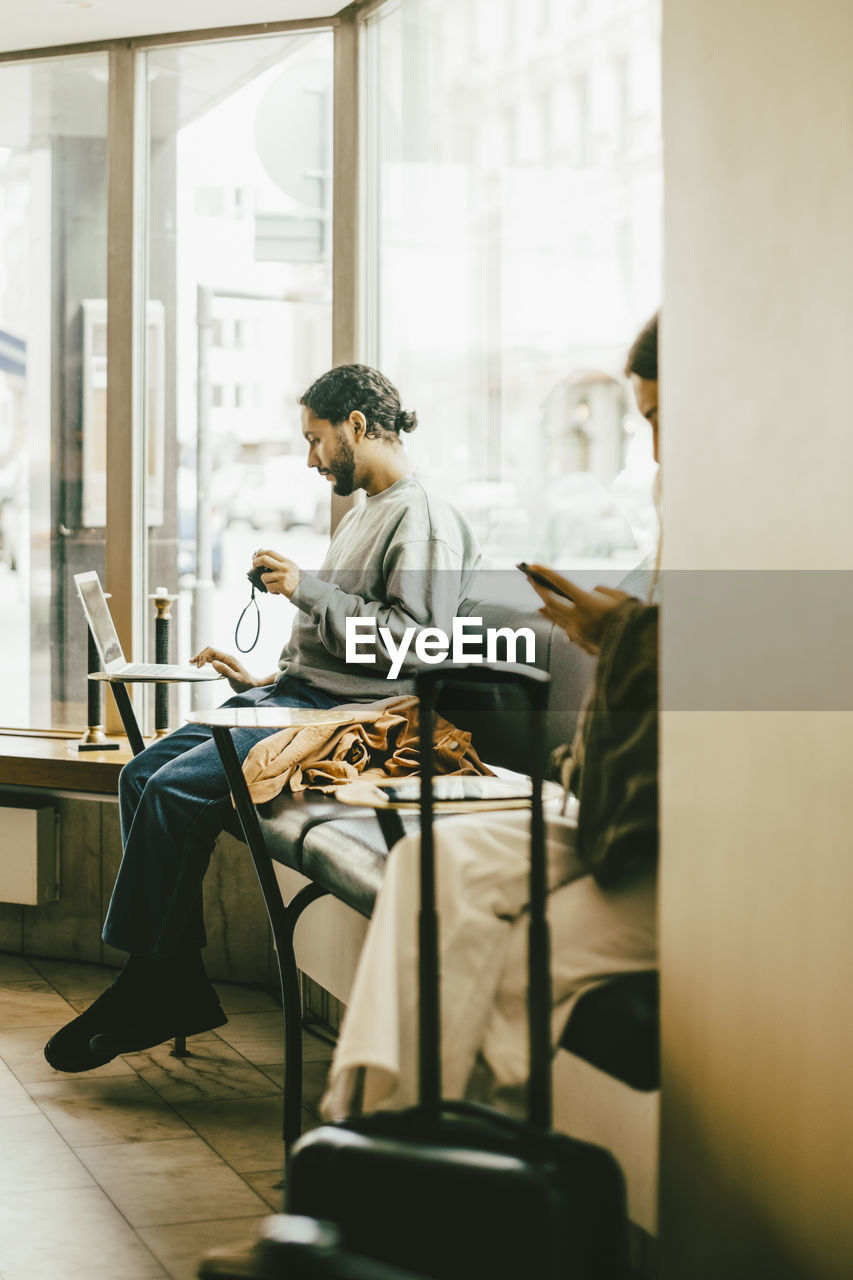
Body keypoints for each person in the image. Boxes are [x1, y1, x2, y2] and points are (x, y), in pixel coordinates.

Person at [44, 363, 481, 1074]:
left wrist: (304, 589)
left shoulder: (420, 517)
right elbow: (346, 641)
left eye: (316, 441)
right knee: (140, 774)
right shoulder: (371, 508)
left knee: (173, 791)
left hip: (347, 716)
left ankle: (151, 982)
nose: (311, 459)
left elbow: (414, 644)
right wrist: (267, 678)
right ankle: (171, 980)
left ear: (358, 427)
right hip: (302, 694)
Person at [321, 316, 660, 1118]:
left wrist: (617, 635)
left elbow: (406, 643)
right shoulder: (677, 503)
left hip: (666, 828)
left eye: (657, 421)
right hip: (613, 804)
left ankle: (403, 1168)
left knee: (502, 960)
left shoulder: (421, 514)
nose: (653, 450)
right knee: (424, 867)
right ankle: (356, 1138)